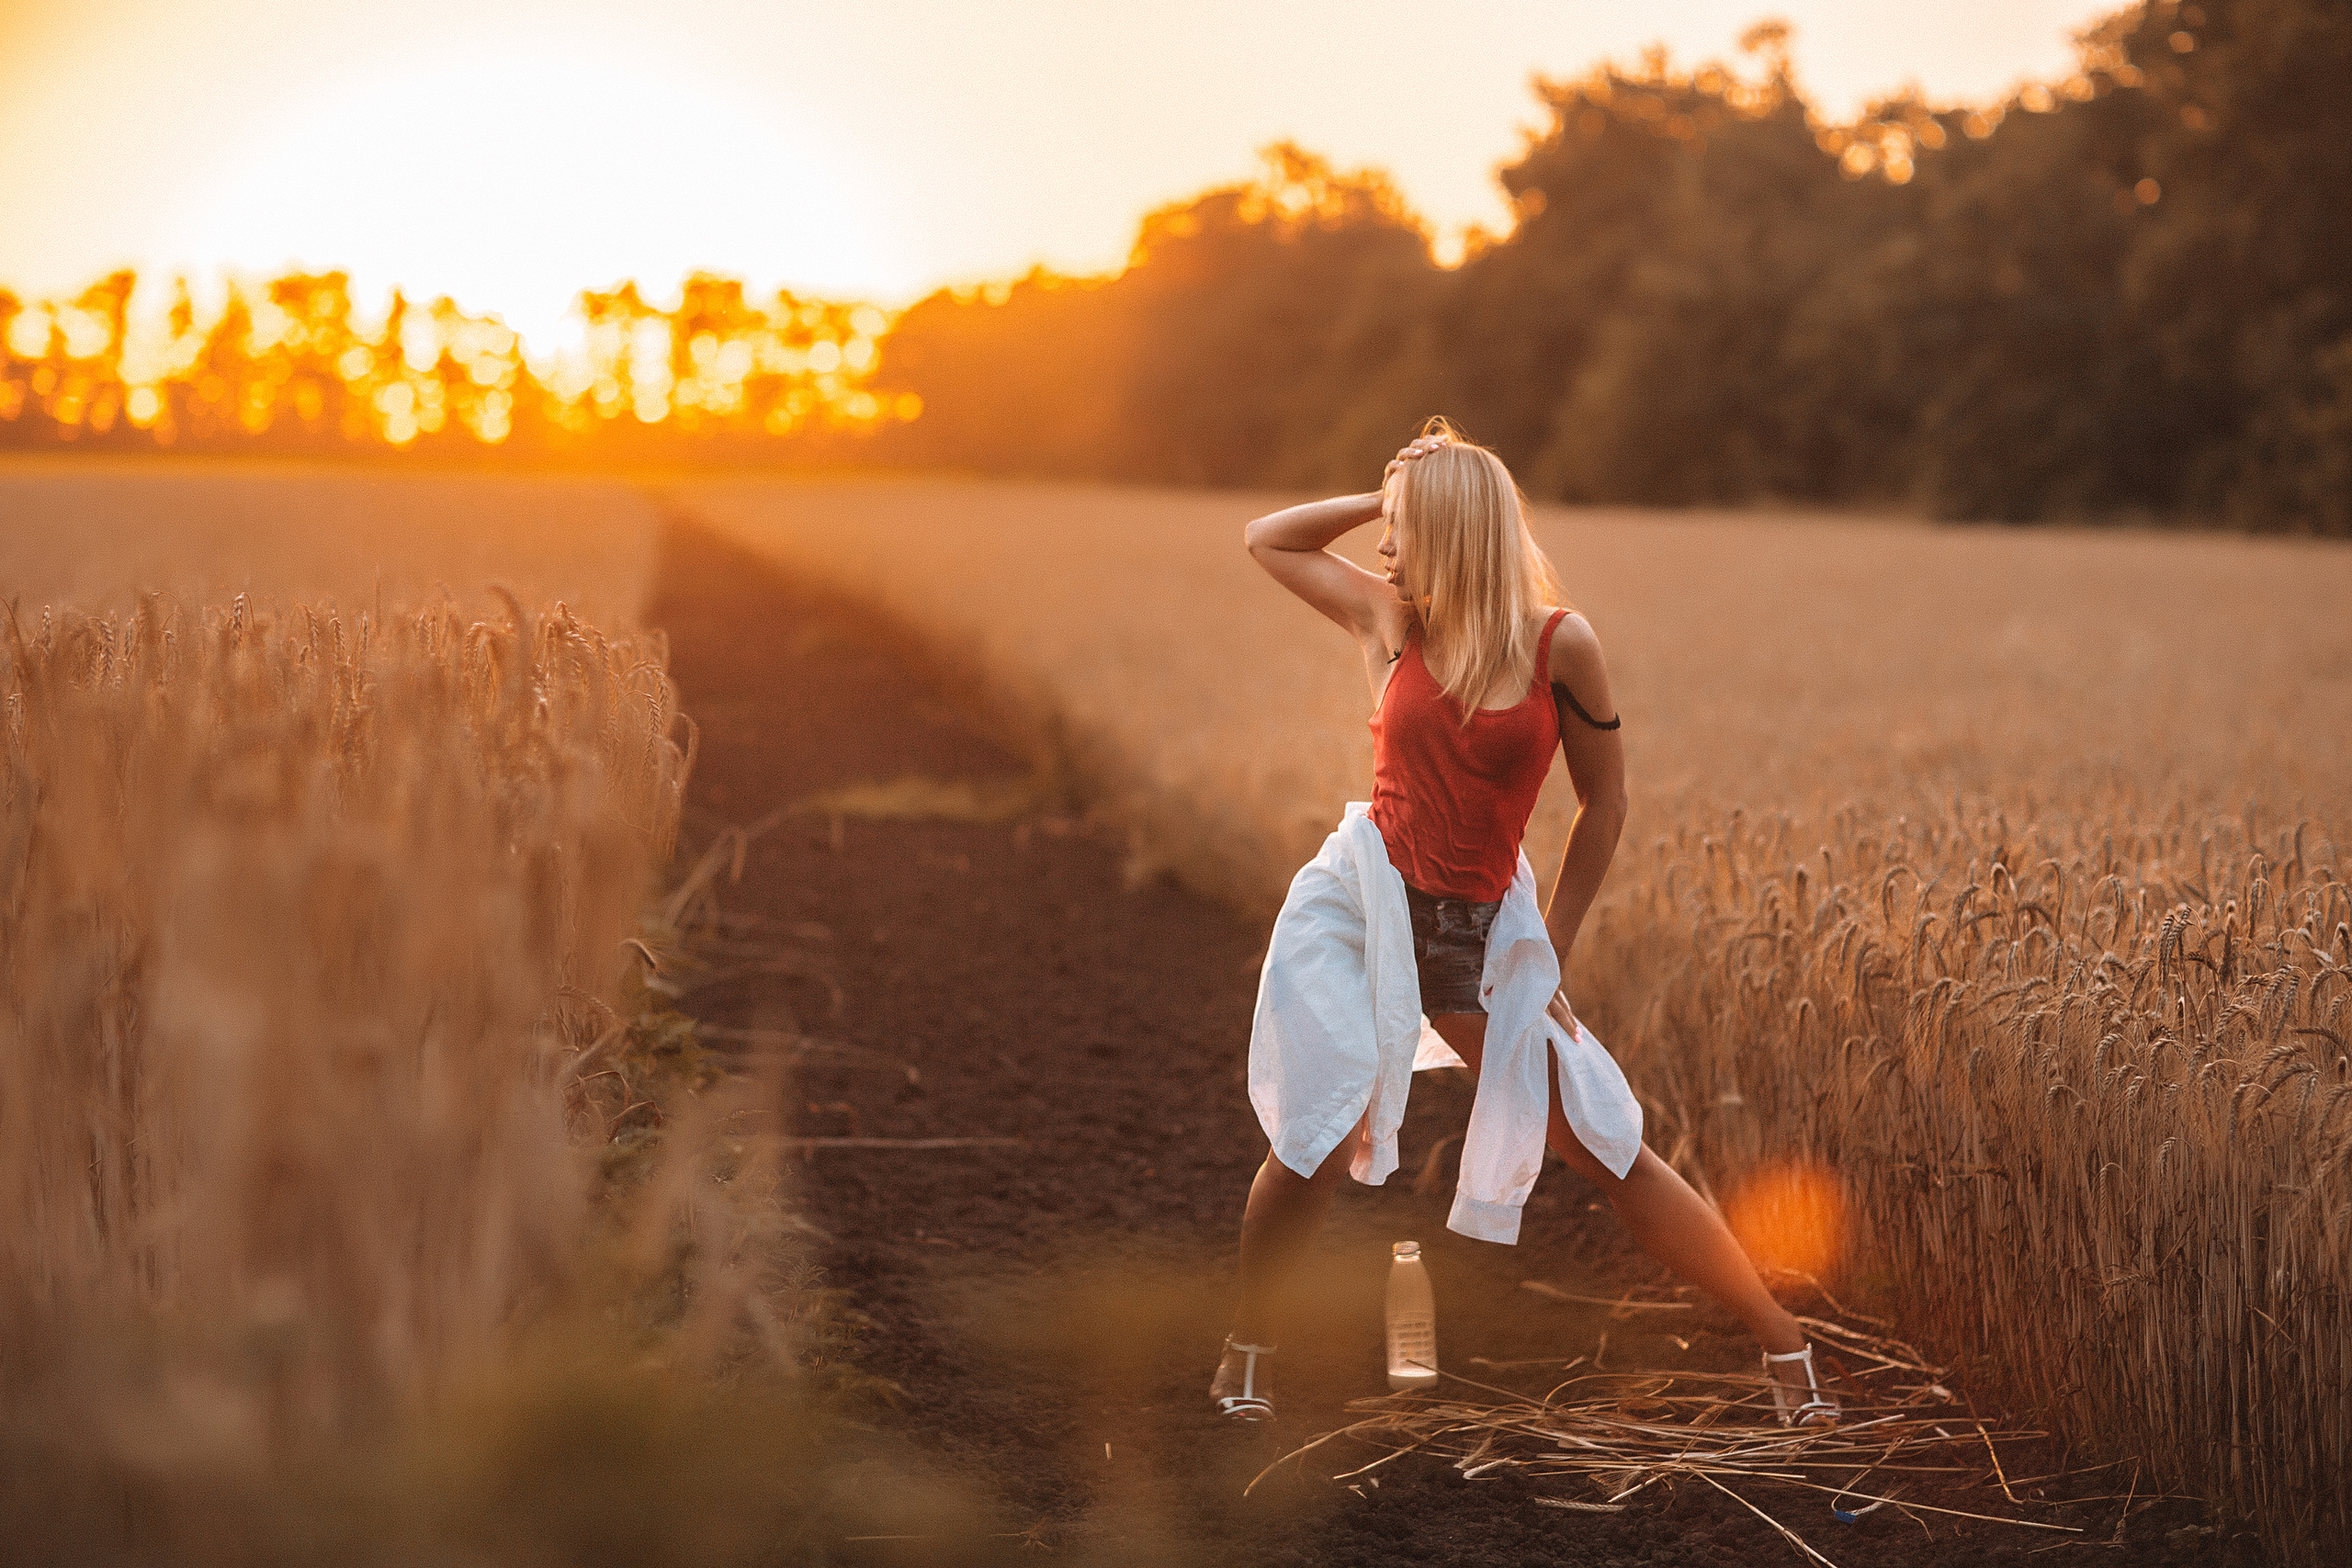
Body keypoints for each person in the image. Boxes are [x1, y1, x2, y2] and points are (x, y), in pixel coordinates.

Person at [1209, 420, 1835, 1429]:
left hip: (1477, 929)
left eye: (1401, 529)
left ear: (1454, 530)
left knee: (1604, 1136)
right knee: (1317, 1134)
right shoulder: (1391, 624)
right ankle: (1248, 1349)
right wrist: (1388, 492)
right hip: (1361, 908)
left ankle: (1785, 1352)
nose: (1381, 550)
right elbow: (1267, 537)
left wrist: (1548, 954)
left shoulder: (1560, 645)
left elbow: (1605, 805)